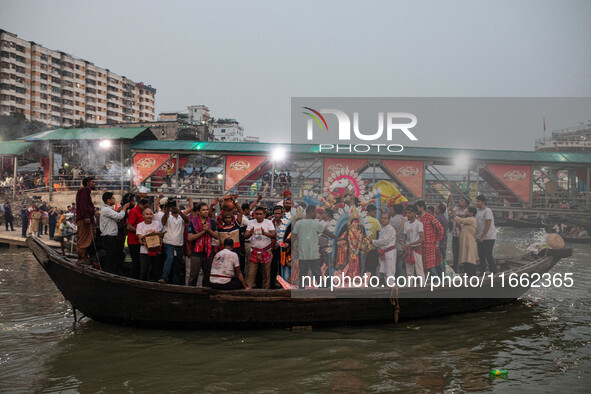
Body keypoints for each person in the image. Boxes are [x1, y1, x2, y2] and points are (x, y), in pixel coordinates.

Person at [292, 204, 337, 288]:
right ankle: (322, 294)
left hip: (303, 255)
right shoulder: (315, 223)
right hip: (313, 255)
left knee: (302, 277)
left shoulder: (298, 223)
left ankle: (301, 296)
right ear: (311, 212)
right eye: (315, 212)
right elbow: (327, 233)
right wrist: (337, 238)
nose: (316, 214)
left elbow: (293, 238)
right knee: (318, 277)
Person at [187, 202, 219, 286]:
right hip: (196, 253)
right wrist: (203, 231)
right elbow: (190, 238)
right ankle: (190, 294)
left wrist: (208, 230)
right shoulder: (192, 222)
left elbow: (217, 236)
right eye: (203, 210)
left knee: (208, 277)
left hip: (208, 253)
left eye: (207, 209)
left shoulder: (212, 222)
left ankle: (206, 296)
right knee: (193, 276)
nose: (206, 211)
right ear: (198, 212)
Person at [244, 206, 276, 289]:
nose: (258, 216)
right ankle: (248, 291)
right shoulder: (251, 222)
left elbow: (274, 235)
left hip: (266, 251)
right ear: (254, 215)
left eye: (260, 214)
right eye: (257, 214)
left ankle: (266, 293)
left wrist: (264, 233)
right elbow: (245, 236)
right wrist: (250, 233)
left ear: (264, 215)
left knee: (266, 274)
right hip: (254, 251)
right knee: (250, 274)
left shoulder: (268, 222)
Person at [159, 200, 190, 285]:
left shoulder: (181, 217)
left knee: (177, 266)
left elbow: (187, 220)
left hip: (179, 245)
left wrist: (179, 211)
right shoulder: (167, 216)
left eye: (174, 206)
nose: (173, 208)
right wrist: (167, 209)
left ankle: (175, 283)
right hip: (168, 244)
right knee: (170, 258)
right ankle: (164, 277)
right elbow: (163, 221)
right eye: (171, 206)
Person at [100, 192, 130, 274]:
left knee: (112, 256)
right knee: (110, 256)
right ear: (108, 200)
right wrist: (124, 208)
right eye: (113, 198)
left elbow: (115, 219)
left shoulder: (108, 209)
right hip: (108, 237)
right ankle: (107, 273)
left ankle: (110, 271)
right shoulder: (106, 209)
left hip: (110, 237)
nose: (114, 200)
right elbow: (119, 216)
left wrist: (117, 211)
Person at [416, 200, 444, 277]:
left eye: (417, 207)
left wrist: (437, 242)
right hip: (420, 246)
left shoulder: (430, 217)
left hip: (429, 246)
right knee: (422, 267)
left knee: (430, 266)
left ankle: (437, 283)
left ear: (422, 207)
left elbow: (441, 229)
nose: (416, 209)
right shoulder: (417, 218)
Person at [449, 206, 478, 276]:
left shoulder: (471, 219)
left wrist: (453, 213)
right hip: (466, 243)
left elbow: (459, 220)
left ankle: (471, 276)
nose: (466, 212)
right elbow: (462, 228)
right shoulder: (468, 220)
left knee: (469, 259)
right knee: (466, 259)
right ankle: (468, 275)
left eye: (467, 211)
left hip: (469, 243)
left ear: (471, 213)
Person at [136, 208, 164, 281]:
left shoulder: (157, 224)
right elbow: (140, 239)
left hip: (156, 251)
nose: (149, 216)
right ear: (143, 216)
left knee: (155, 270)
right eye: (147, 214)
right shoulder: (140, 225)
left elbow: (159, 236)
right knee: (143, 271)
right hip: (144, 251)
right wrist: (147, 243)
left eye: (150, 214)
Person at [127, 198, 150, 278]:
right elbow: (129, 226)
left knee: (140, 262)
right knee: (136, 262)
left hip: (140, 242)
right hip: (134, 241)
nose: (146, 209)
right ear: (140, 204)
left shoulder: (141, 212)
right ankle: (133, 278)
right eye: (145, 207)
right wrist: (140, 232)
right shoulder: (134, 211)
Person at [75, 177, 97, 263]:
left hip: (87, 219)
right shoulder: (84, 191)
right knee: (84, 238)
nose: (94, 184)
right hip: (84, 219)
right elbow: (83, 205)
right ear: (88, 183)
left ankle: (85, 256)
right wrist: (86, 216)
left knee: (89, 237)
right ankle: (81, 257)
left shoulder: (86, 191)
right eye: (92, 182)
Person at [371, 212, 397, 283]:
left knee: (390, 272)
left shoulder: (390, 229)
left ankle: (392, 288)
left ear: (389, 220)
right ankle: (389, 288)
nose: (383, 220)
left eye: (385, 218)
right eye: (382, 218)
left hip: (389, 253)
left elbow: (384, 241)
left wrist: (373, 242)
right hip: (383, 253)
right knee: (385, 272)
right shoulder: (383, 229)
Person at [402, 205, 425, 281]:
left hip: (416, 249)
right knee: (409, 271)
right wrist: (404, 245)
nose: (407, 215)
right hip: (408, 249)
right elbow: (405, 237)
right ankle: (409, 286)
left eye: (409, 213)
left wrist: (409, 244)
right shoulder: (406, 224)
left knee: (419, 270)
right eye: (407, 213)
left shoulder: (419, 224)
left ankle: (423, 286)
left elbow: (422, 239)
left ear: (414, 213)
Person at [475, 195, 497, 274]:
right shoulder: (477, 211)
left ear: (483, 202)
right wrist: (477, 236)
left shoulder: (487, 211)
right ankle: (482, 272)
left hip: (489, 237)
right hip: (479, 236)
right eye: (476, 201)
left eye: (478, 201)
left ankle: (493, 271)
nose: (476, 203)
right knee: (481, 255)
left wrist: (482, 236)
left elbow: (488, 224)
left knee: (488, 255)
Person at [449, 197, 469, 273]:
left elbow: (456, 216)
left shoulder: (467, 212)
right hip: (455, 235)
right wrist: (451, 202)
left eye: (462, 201)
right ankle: (455, 271)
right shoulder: (458, 210)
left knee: (464, 253)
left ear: (465, 204)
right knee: (455, 254)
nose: (460, 202)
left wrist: (452, 203)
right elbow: (453, 210)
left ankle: (466, 271)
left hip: (462, 235)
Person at [389, 204, 407, 278]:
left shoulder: (392, 220)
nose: (390, 211)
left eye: (391, 209)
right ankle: (400, 281)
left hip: (393, 246)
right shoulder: (405, 220)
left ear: (395, 211)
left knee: (391, 266)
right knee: (399, 265)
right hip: (401, 245)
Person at [364, 204, 382, 275]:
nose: (375, 214)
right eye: (375, 212)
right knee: (373, 268)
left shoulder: (361, 219)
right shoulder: (376, 221)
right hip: (372, 248)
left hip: (362, 248)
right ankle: (373, 283)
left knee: (364, 267)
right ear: (371, 212)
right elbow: (378, 235)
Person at [434, 203, 449, 274]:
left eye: (436, 207)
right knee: (442, 261)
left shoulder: (437, 218)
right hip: (443, 242)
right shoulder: (444, 218)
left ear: (439, 209)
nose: (435, 208)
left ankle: (441, 280)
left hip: (439, 243)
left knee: (439, 263)